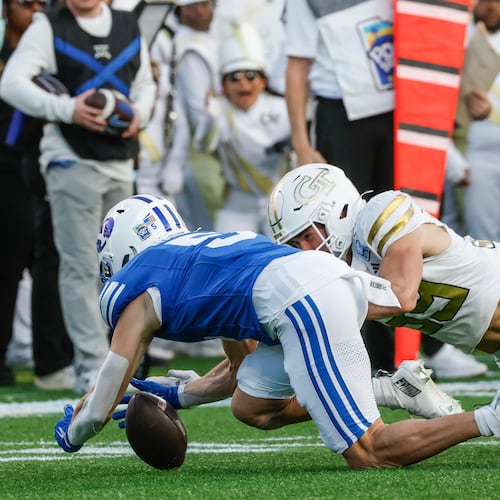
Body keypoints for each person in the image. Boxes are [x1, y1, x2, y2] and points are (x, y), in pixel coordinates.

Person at [53, 194, 499, 470]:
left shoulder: (141, 288)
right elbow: (237, 370)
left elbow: (105, 392)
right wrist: (179, 397)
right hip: (313, 283)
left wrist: (75, 430)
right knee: (254, 404)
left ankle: (489, 419)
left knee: (370, 451)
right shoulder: (206, 257)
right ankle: (394, 390)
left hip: (301, 297)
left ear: (124, 255)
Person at [0, 0, 156, 393]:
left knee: (126, 268)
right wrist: (67, 109)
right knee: (80, 265)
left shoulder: (126, 24)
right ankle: (92, 366)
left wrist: (140, 114)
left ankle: (122, 361)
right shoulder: (49, 25)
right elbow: (12, 82)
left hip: (120, 161)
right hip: (70, 160)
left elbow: (146, 84)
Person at [267, 163, 500, 369]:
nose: (305, 251)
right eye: (296, 244)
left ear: (336, 211)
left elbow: (399, 296)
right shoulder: (342, 274)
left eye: (308, 236)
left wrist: (308, 307)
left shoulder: (378, 214)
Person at [195, 21, 292, 237]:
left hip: (278, 201)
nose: (243, 85)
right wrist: (208, 116)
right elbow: (202, 144)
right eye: (234, 78)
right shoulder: (219, 111)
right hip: (238, 205)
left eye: (250, 76)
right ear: (224, 85)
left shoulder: (282, 108)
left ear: (263, 80)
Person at [0, 0, 46, 386]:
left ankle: (51, 356)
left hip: (41, 167)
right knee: (7, 267)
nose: (34, 11)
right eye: (25, 4)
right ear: (4, 10)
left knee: (50, 265)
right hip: (5, 170)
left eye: (40, 4)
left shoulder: (49, 54)